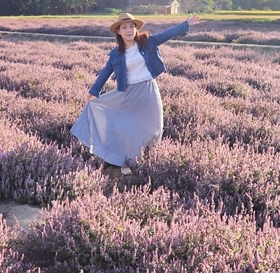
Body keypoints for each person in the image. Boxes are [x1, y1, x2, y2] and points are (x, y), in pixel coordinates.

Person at [71, 12, 200, 175]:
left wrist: (185, 24)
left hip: (148, 91)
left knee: (152, 126)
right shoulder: (116, 53)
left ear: (135, 29)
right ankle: (125, 161)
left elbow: (167, 34)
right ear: (118, 31)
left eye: (131, 26)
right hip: (128, 93)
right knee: (127, 128)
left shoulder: (147, 42)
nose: (128, 30)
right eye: (124, 27)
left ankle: (145, 159)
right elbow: (106, 72)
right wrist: (94, 91)